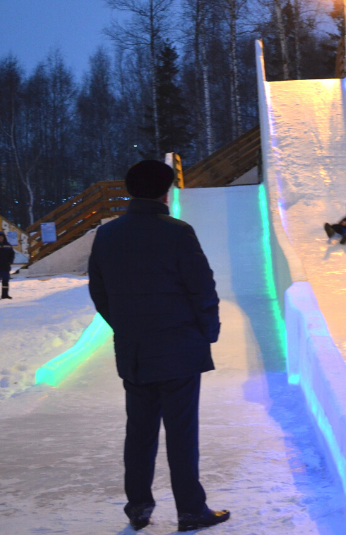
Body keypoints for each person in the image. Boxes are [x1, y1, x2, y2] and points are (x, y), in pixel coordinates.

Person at [88, 160, 229, 532]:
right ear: (165, 192)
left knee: (139, 432)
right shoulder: (178, 232)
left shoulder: (107, 235)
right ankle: (190, 510)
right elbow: (202, 287)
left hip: (134, 353)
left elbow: (99, 292)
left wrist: (126, 326)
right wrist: (207, 332)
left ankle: (138, 506)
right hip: (179, 351)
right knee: (181, 434)